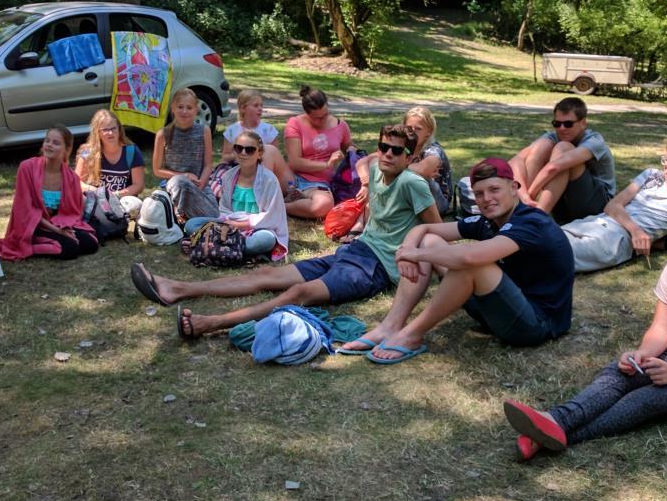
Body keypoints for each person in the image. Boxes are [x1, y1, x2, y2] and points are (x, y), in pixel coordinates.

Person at [503, 195, 667, 462]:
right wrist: (641, 354)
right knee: (617, 374)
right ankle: (554, 419)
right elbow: (661, 331)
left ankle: (555, 437)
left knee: (647, 398)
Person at [130, 124, 440, 338]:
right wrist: (364, 179)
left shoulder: (413, 184)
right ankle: (177, 288)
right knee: (262, 276)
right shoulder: (376, 169)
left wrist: (428, 263)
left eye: (396, 151)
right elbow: (368, 163)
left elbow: (437, 230)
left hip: (375, 268)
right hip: (353, 251)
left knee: (299, 294)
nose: (387, 154)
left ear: (410, 158)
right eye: (383, 147)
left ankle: (211, 323)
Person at [338, 157, 574, 363]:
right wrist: (408, 248)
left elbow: (471, 256)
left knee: (470, 264)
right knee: (429, 240)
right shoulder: (487, 222)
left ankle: (411, 335)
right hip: (498, 310)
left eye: (494, 190)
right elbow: (427, 228)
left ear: (514, 188)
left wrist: (416, 255)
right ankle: (390, 326)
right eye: (479, 193)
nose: (486, 199)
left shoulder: (531, 222)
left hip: (534, 324)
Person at [562, 132, 667, 272]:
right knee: (546, 236)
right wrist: (636, 230)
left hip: (616, 239)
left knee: (554, 254)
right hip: (594, 223)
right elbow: (612, 205)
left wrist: (663, 243)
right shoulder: (651, 175)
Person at [0, 125, 99, 261]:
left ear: (66, 150)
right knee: (70, 249)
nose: (49, 145)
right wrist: (58, 231)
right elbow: (25, 210)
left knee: (90, 244)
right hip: (32, 225)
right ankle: (28, 246)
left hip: (59, 222)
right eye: (47, 141)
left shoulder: (71, 177)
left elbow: (74, 211)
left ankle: (52, 241)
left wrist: (65, 228)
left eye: (56, 143)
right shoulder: (27, 168)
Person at [181, 129, 288, 260]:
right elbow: (224, 208)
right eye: (238, 148)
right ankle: (231, 247)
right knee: (191, 224)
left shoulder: (269, 180)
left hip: (256, 229)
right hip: (228, 224)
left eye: (249, 150)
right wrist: (229, 224)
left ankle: (211, 244)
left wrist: (240, 225)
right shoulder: (228, 176)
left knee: (266, 240)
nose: (243, 153)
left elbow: (272, 216)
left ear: (259, 154)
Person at [510, 96, 615, 224]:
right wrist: (524, 196)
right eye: (557, 124)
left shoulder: (594, 141)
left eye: (568, 124)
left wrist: (530, 194)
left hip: (597, 205)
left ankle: (536, 219)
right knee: (542, 146)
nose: (562, 128)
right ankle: (518, 211)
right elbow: (515, 161)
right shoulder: (553, 136)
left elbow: (554, 167)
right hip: (565, 205)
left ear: (583, 123)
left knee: (564, 148)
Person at [282, 85, 353, 220]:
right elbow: (295, 162)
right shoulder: (295, 123)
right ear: (307, 113)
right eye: (317, 118)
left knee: (324, 204)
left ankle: (282, 207)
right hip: (292, 178)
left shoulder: (341, 126)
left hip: (318, 184)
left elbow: (349, 148)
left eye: (325, 114)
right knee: (269, 152)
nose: (323, 120)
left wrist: (352, 151)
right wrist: (327, 165)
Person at [152, 87, 217, 223]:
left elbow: (208, 165)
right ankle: (179, 213)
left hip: (198, 185)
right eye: (180, 107)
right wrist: (184, 176)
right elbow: (157, 170)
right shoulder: (163, 134)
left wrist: (199, 187)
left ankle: (188, 219)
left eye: (189, 107)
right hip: (173, 185)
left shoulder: (204, 131)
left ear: (196, 110)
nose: (184, 111)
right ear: (173, 108)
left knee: (214, 215)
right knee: (180, 181)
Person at [220, 88, 293, 192]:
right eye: (255, 105)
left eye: (261, 105)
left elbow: (276, 157)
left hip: (266, 172)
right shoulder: (232, 131)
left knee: (267, 149)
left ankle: (264, 191)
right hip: (240, 172)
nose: (260, 108)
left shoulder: (268, 130)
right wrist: (241, 154)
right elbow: (225, 157)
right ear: (243, 108)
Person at [75, 109, 146, 201]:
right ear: (97, 133)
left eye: (113, 128)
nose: (110, 133)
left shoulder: (132, 151)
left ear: (119, 129)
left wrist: (115, 195)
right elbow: (75, 181)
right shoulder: (87, 152)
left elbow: (139, 185)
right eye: (105, 129)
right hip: (95, 200)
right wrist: (93, 190)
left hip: (121, 201)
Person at [403, 105, 452, 216]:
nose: (412, 132)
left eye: (418, 129)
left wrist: (396, 167)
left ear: (428, 132)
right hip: (413, 197)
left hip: (438, 203)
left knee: (421, 177)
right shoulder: (402, 146)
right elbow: (376, 158)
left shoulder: (433, 149)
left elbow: (423, 169)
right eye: (409, 128)